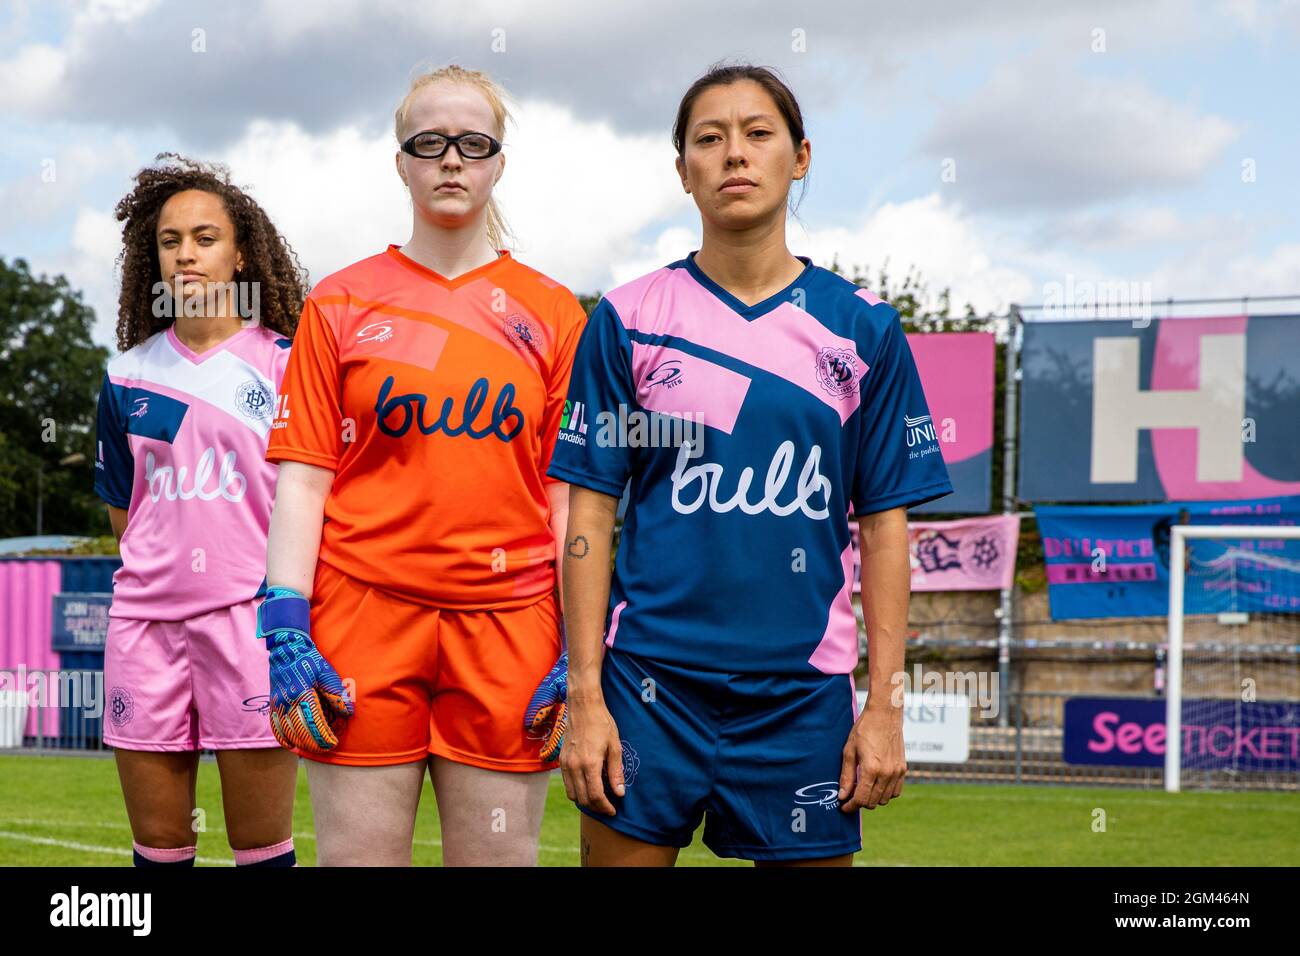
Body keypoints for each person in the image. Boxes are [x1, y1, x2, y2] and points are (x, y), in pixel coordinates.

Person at [549, 64, 953, 866]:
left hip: (802, 696)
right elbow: (590, 514)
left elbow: (885, 528)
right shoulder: (628, 319)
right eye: (710, 138)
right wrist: (584, 694)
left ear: (799, 157)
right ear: (683, 171)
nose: (735, 153)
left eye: (757, 133)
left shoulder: (863, 328)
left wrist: (886, 707)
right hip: (648, 686)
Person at [261, 64, 587, 866]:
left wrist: (584, 648)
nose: (451, 159)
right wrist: (281, 625)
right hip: (362, 618)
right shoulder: (338, 302)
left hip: (511, 626)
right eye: (429, 142)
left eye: (472, 144)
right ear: (400, 161)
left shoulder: (553, 311)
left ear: (498, 163)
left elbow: (570, 499)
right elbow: (305, 478)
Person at [94, 154, 308, 867]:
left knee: (262, 850)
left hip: (249, 627)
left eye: (206, 237)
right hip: (144, 629)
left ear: (241, 251)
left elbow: (310, 505)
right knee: (157, 850)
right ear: (151, 255)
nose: (186, 253)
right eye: (170, 239)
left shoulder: (287, 364)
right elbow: (126, 519)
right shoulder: (125, 375)